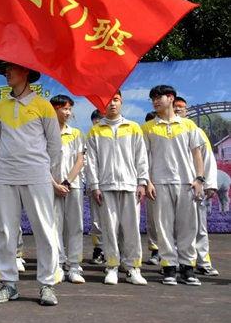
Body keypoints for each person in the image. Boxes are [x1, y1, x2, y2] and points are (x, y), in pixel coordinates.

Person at [0, 62, 61, 306]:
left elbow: (54, 145)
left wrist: (40, 167)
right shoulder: (0, 106)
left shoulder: (43, 105)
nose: (7, 73)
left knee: (44, 229)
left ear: (26, 72)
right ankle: (8, 284)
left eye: (12, 68)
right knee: (6, 231)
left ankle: (47, 285)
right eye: (6, 69)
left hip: (36, 175)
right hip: (6, 175)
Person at [142, 85, 212, 286]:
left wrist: (199, 179)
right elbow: (144, 158)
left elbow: (197, 154)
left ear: (171, 98)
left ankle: (188, 268)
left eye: (159, 97)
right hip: (160, 183)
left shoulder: (189, 125)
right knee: (163, 228)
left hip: (186, 183)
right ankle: (169, 267)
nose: (156, 101)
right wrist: (148, 181)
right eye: (153, 98)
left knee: (188, 227)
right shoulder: (147, 128)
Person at [86, 91, 149, 286]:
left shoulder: (133, 127)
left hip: (130, 185)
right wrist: (94, 186)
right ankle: (112, 266)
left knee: (131, 229)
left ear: (121, 102)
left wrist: (142, 182)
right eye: (108, 100)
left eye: (115, 100)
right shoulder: (96, 131)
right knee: (109, 228)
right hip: (105, 186)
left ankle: (132, 268)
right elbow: (91, 162)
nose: (112, 104)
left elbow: (141, 157)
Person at [173, 96, 219, 276]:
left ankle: (203, 262)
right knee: (174, 227)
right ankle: (176, 262)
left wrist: (209, 183)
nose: (178, 109)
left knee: (199, 227)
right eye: (175, 106)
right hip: (173, 185)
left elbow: (208, 157)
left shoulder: (196, 130)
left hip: (194, 186)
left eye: (181, 107)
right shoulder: (164, 130)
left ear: (187, 110)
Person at [49, 95, 86, 284]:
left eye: (70, 109)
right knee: (54, 227)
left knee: (75, 227)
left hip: (73, 186)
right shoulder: (44, 134)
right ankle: (58, 264)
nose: (68, 113)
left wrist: (67, 182)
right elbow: (40, 162)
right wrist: (55, 184)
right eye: (64, 109)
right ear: (54, 110)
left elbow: (80, 161)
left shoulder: (76, 134)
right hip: (51, 187)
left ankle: (74, 266)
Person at [88, 109, 105, 265]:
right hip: (96, 186)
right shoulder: (90, 137)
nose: (98, 122)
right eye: (96, 120)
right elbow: (87, 163)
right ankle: (98, 249)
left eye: (102, 119)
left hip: (114, 184)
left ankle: (116, 252)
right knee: (97, 220)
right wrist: (92, 184)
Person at [143, 111, 160, 266]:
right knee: (153, 219)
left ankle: (173, 256)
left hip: (167, 181)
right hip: (150, 182)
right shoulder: (143, 138)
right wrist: (147, 182)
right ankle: (156, 251)